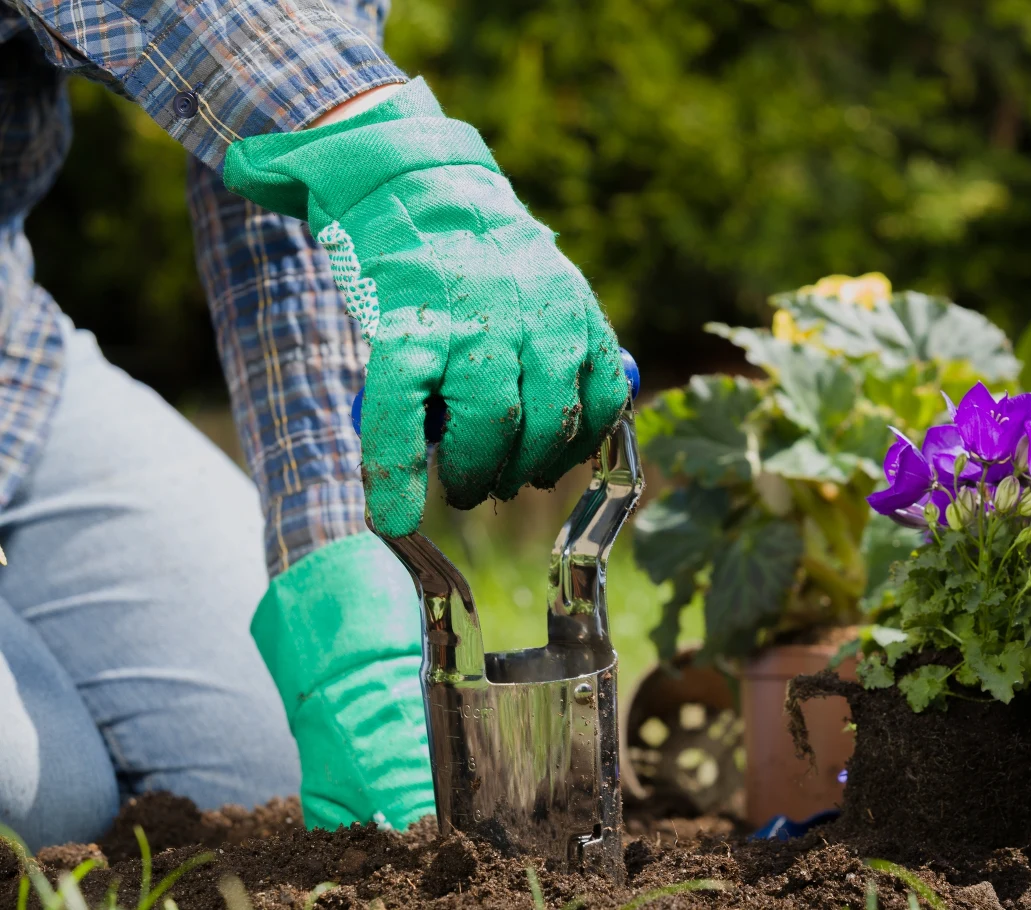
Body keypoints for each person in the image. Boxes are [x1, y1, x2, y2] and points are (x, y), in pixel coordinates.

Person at [0, 0, 628, 847]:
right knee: (46, 798)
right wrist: (391, 156)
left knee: (260, 768)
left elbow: (267, 170)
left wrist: (340, 595)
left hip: (13, 370)